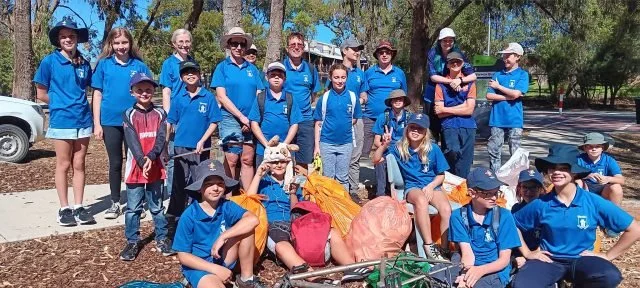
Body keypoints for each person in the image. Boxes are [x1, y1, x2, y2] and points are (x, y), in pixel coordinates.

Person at [511, 144, 640, 288]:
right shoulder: (542, 203)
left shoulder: (593, 201)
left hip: (581, 259)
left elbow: (635, 229)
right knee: (523, 284)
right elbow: (511, 224)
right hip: (549, 259)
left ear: (574, 172)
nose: (556, 172)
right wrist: (527, 253)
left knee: (609, 276)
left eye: (563, 168)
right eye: (552, 168)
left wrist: (608, 255)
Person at [245, 143, 369, 283]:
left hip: (297, 220)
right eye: (274, 162)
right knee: (281, 245)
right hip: (275, 224)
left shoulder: (294, 180)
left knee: (331, 232)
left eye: (282, 162)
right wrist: (258, 174)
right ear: (268, 164)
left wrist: (292, 193)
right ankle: (313, 277)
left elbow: (296, 208)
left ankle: (351, 267)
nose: (279, 165)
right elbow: (249, 199)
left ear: (288, 163)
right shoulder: (264, 182)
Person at [34, 20, 95, 226]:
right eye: (63, 37)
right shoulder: (49, 62)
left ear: (77, 39)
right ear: (58, 41)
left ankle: (79, 206)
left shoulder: (84, 63)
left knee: (79, 163)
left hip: (83, 119)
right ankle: (64, 208)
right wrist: (60, 103)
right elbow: (41, 93)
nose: (68, 39)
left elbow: (90, 89)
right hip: (62, 120)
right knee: (64, 164)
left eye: (72, 36)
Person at [173, 159, 266, 288]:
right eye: (209, 184)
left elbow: (253, 219)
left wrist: (223, 236)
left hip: (222, 257)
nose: (216, 188)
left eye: (220, 183)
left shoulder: (226, 206)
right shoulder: (189, 215)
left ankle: (246, 279)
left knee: (247, 228)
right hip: (199, 266)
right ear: (199, 188)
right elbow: (183, 256)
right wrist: (215, 269)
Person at [91, 27, 153, 220]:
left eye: (124, 42)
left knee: (136, 161)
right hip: (110, 121)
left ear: (130, 43)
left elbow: (147, 93)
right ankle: (115, 202)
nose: (121, 46)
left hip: (135, 122)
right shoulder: (104, 65)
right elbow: (97, 94)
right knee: (116, 162)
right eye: (116, 43)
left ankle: (138, 202)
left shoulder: (140, 66)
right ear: (111, 44)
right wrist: (97, 124)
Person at [373, 113, 451, 260]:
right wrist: (384, 145)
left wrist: (431, 186)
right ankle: (429, 246)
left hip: (431, 186)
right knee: (421, 200)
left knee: (446, 209)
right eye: (412, 128)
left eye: (420, 129)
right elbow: (376, 160)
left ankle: (445, 248)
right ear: (407, 129)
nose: (415, 131)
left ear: (425, 132)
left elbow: (441, 175)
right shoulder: (399, 148)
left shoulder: (433, 149)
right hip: (412, 187)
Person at [119, 73, 175, 261]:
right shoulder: (128, 114)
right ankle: (133, 241)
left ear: (154, 91)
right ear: (132, 92)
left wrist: (152, 157)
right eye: (140, 90)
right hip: (135, 167)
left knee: (157, 207)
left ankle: (162, 238)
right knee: (133, 208)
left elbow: (161, 137)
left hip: (156, 166)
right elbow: (132, 141)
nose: (144, 93)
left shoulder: (161, 113)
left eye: (148, 89)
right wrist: (143, 161)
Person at [436, 167, 521, 288]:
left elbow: (504, 259)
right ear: (471, 193)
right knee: (433, 277)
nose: (494, 198)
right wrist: (466, 274)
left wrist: (478, 271)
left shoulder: (504, 216)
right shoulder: (458, 216)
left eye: (496, 192)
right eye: (488, 193)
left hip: (494, 268)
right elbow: (467, 253)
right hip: (466, 263)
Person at [166, 61, 222, 217]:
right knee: (179, 181)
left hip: (200, 148)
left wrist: (203, 140)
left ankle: (197, 212)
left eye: (193, 71)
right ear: (182, 77)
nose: (190, 75)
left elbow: (214, 122)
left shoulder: (208, 97)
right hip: (181, 146)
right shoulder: (178, 98)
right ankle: (175, 214)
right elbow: (170, 122)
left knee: (198, 181)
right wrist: (165, 146)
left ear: (199, 74)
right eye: (186, 72)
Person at [212, 27, 265, 190]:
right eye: (234, 44)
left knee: (247, 160)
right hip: (229, 119)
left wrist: (250, 118)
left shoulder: (252, 69)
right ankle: (229, 198)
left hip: (250, 120)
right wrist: (241, 117)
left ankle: (249, 198)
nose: (238, 48)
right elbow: (221, 96)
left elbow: (259, 92)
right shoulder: (222, 67)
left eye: (242, 44)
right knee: (232, 159)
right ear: (228, 45)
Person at [313, 64, 362, 192]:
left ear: (347, 78)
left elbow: (355, 117)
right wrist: (317, 146)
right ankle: (328, 206)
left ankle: (342, 206)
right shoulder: (324, 98)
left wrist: (343, 125)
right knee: (328, 177)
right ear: (330, 78)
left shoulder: (352, 97)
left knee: (343, 178)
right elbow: (318, 123)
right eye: (336, 77)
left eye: (343, 77)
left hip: (346, 143)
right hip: (326, 143)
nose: (340, 81)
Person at [159, 28, 195, 201]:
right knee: (174, 156)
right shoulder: (169, 64)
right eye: (180, 42)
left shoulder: (193, 62)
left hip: (191, 116)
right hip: (175, 116)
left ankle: (190, 194)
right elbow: (166, 91)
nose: (184, 45)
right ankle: (175, 196)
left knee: (191, 155)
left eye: (187, 41)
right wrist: (168, 117)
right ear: (174, 44)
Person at [425, 27, 477, 143]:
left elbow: (473, 76)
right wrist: (451, 82)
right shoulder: (432, 54)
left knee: (448, 128)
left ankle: (447, 155)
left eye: (450, 40)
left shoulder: (460, 55)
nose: (447, 43)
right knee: (432, 131)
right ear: (440, 41)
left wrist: (460, 80)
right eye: (445, 40)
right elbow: (433, 77)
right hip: (432, 94)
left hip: (451, 96)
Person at [248, 62, 303, 165]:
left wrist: (285, 144)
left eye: (280, 76)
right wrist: (266, 145)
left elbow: (294, 124)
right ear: (266, 77)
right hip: (264, 149)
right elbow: (254, 123)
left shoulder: (290, 98)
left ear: (285, 78)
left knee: (286, 178)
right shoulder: (260, 98)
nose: (276, 78)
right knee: (264, 178)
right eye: (273, 75)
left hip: (285, 149)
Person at [486, 43, 529, 172]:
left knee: (515, 154)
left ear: (517, 57)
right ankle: (495, 179)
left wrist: (498, 87)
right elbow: (489, 95)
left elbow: (516, 93)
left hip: (514, 121)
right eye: (504, 56)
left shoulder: (522, 75)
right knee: (494, 151)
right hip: (497, 120)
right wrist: (507, 97)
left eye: (508, 55)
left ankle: (515, 180)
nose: (505, 58)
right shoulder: (497, 75)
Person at [283, 32, 322, 176]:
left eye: (299, 44)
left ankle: (300, 194)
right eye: (293, 44)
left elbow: (313, 95)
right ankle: (282, 194)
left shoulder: (311, 69)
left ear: (304, 48)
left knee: (303, 160)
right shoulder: (280, 68)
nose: (296, 47)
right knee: (281, 158)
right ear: (287, 48)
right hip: (284, 119)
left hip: (305, 120)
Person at [434, 51, 477, 179]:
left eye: (458, 61)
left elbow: (469, 110)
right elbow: (438, 112)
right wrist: (462, 106)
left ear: (462, 64)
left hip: (468, 126)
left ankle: (463, 188)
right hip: (449, 126)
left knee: (466, 159)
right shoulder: (441, 85)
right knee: (452, 152)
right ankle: (451, 184)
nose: (455, 64)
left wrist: (447, 109)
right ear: (447, 65)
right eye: (452, 62)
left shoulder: (470, 83)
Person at [363, 41, 407, 161]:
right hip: (370, 117)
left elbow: (403, 95)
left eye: (387, 52)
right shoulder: (368, 73)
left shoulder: (399, 73)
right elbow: (363, 93)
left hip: (391, 119)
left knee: (391, 149)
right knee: (363, 152)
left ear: (392, 54)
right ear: (377, 55)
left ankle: (387, 177)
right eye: (381, 52)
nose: (384, 55)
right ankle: (358, 178)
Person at [338, 37, 369, 198]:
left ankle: (354, 191)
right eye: (354, 49)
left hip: (357, 119)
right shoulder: (337, 71)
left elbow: (364, 94)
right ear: (345, 51)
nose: (357, 52)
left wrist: (360, 100)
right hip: (339, 120)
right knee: (340, 154)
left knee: (355, 156)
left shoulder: (360, 74)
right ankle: (340, 190)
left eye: (358, 49)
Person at [371, 89, 411, 198]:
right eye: (395, 99)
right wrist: (385, 145)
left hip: (404, 150)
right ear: (391, 102)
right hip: (387, 149)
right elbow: (376, 142)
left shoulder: (409, 117)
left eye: (400, 99)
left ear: (404, 101)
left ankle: (407, 193)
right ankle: (380, 195)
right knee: (379, 162)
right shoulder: (383, 117)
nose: (398, 101)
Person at [576, 132, 624, 206]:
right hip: (585, 189)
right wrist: (586, 175)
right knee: (577, 182)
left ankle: (614, 213)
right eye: (590, 146)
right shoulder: (579, 159)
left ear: (603, 148)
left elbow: (621, 180)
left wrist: (608, 179)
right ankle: (578, 209)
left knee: (616, 187)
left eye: (597, 146)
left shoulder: (609, 160)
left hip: (603, 190)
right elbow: (569, 175)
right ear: (585, 148)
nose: (594, 149)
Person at [510, 168, 545, 269]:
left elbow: (550, 235)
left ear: (540, 189)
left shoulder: (545, 207)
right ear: (519, 188)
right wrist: (523, 254)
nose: (529, 191)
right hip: (520, 251)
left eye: (533, 187)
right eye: (525, 187)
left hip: (542, 250)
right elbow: (515, 232)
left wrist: (531, 255)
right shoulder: (515, 209)